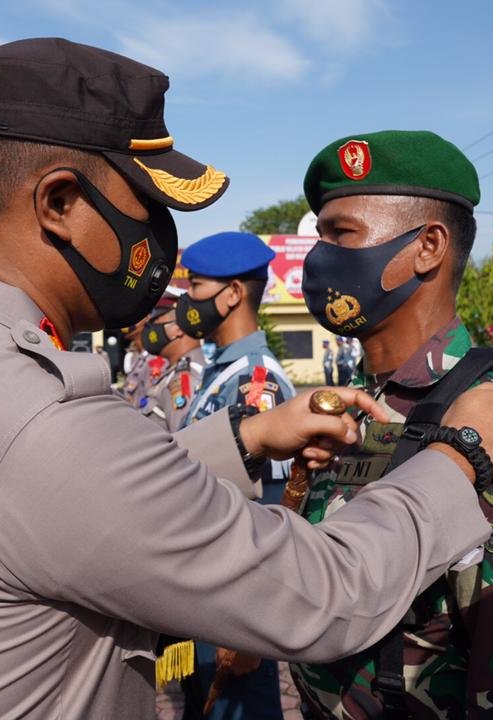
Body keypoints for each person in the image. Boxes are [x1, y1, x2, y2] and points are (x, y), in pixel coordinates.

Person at [0, 37, 493, 720]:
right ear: (60, 203)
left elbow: (83, 501)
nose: (159, 242)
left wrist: (247, 438)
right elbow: (321, 593)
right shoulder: (42, 425)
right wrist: (459, 458)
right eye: (147, 207)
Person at [289, 129, 493, 719]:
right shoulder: (364, 405)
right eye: (320, 234)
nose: (320, 256)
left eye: (341, 234)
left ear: (427, 247)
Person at [174, 230, 295, 719]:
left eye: (196, 287)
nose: (186, 301)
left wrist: (254, 626)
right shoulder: (220, 374)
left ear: (231, 294)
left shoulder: (254, 384)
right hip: (203, 593)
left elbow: (271, 512)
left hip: (233, 608)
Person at [140, 292, 205, 432]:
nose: (150, 329)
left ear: (179, 329)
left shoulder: (184, 379)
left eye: (156, 322)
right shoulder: (173, 372)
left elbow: (184, 440)